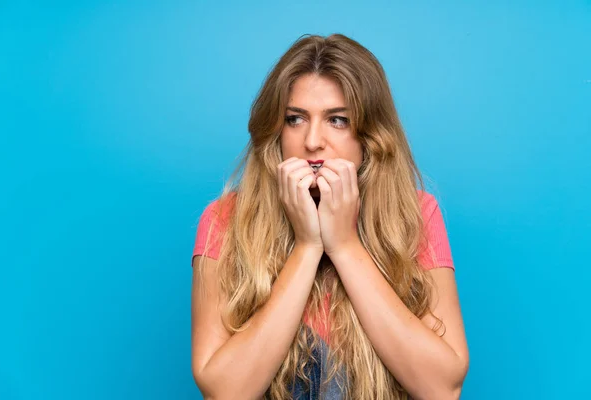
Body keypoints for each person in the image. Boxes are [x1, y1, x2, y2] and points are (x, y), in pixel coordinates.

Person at [191, 33, 469, 400]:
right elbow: (225, 392)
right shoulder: (224, 220)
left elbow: (442, 389)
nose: (312, 141)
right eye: (295, 119)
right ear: (276, 130)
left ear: (370, 135)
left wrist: (344, 244)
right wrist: (307, 246)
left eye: (337, 120)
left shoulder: (415, 215)